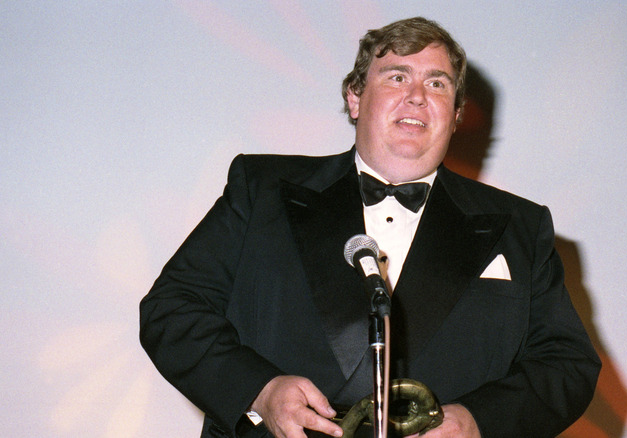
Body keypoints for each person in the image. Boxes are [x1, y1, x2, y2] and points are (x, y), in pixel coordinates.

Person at [140, 17, 600, 438]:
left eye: (437, 83)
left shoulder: (521, 226)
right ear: (355, 97)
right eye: (397, 76)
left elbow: (568, 364)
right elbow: (171, 309)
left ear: (457, 114)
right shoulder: (261, 189)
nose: (417, 94)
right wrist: (259, 391)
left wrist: (478, 421)